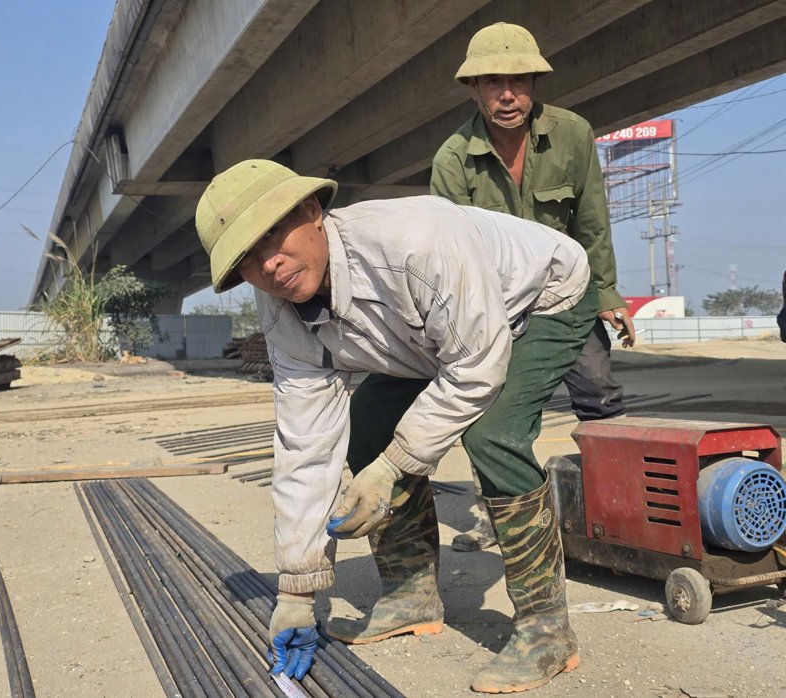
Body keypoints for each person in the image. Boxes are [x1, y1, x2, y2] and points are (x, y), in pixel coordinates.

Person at [195, 159, 595, 692]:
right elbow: (305, 441)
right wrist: (295, 591)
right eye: (247, 259)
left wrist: (393, 467)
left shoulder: (414, 243)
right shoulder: (281, 311)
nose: (270, 264)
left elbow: (476, 365)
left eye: (274, 235)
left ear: (313, 210)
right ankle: (411, 596)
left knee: (492, 435)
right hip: (434, 339)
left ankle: (546, 630)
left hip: (540, 298)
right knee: (367, 431)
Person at [430, 22, 635, 552]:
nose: (507, 95)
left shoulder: (573, 135)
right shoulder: (453, 160)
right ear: (471, 88)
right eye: (492, 82)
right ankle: (499, 513)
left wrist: (608, 295)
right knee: (489, 410)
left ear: (535, 83)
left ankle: (618, 502)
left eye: (518, 81)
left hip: (568, 293)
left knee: (597, 390)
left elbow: (592, 221)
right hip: (494, 306)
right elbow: (448, 256)